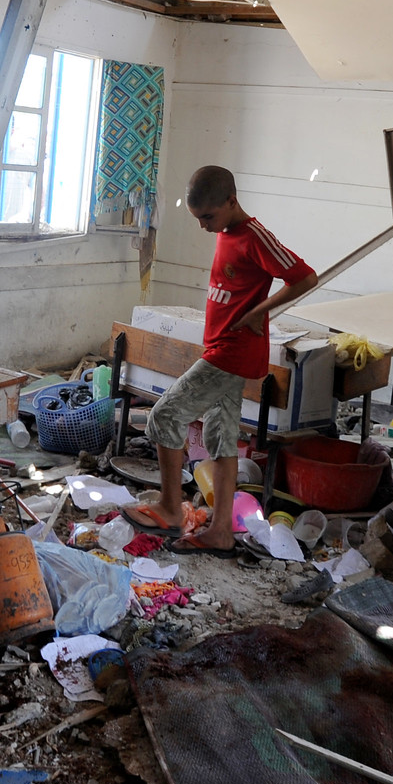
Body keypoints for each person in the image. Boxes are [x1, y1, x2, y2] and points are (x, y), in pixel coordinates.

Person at [130, 165, 318, 554]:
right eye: (197, 219)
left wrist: (258, 312)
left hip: (232, 353)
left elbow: (305, 277)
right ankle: (220, 531)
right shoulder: (226, 231)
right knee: (220, 437)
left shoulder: (255, 236)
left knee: (164, 416)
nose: (203, 226)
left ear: (232, 201)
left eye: (208, 217)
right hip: (220, 348)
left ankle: (170, 508)